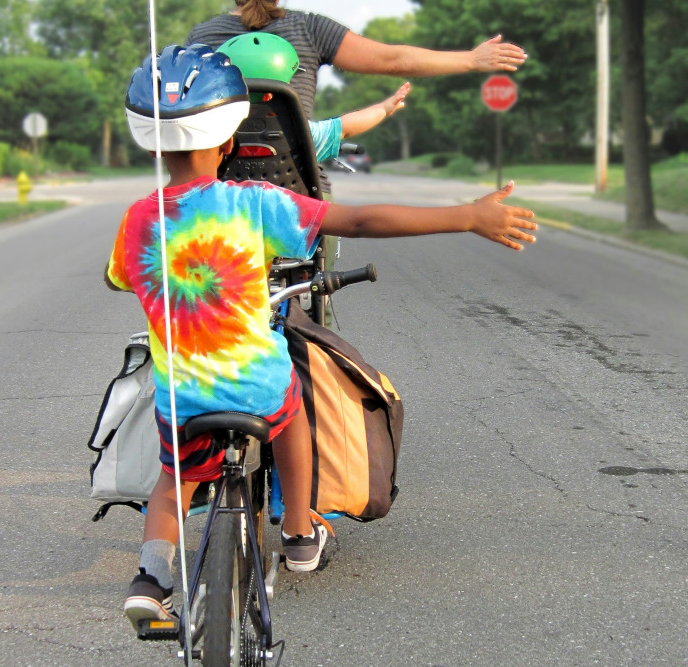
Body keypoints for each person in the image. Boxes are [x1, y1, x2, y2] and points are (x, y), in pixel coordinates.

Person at [111, 44, 536, 627]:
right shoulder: (254, 204)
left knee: (173, 481)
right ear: (231, 141)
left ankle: (150, 580)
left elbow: (118, 278)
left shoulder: (138, 220)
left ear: (154, 143)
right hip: (256, 387)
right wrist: (467, 215)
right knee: (292, 419)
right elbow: (359, 220)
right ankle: (299, 532)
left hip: (181, 397)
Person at [187, 0, 528, 120]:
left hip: (217, 185)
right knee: (317, 274)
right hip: (297, 188)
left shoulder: (200, 38)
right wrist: (471, 60)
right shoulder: (308, 27)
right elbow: (394, 60)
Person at [217, 31, 411, 163]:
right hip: (292, 221)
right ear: (271, 94)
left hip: (223, 221)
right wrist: (383, 109)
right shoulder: (299, 132)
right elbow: (347, 127)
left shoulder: (213, 133)